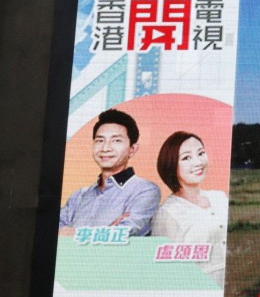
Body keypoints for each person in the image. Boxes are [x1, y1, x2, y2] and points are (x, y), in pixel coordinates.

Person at [59, 108, 161, 236]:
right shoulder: (78, 196)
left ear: (132, 149)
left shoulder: (145, 190)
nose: (105, 148)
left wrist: (73, 233)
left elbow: (125, 232)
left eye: (116, 140)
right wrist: (106, 231)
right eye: (100, 141)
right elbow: (54, 231)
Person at [151, 131, 227, 285]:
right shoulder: (168, 213)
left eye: (201, 153)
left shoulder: (220, 197)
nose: (198, 162)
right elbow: (164, 272)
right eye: (186, 157)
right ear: (171, 164)